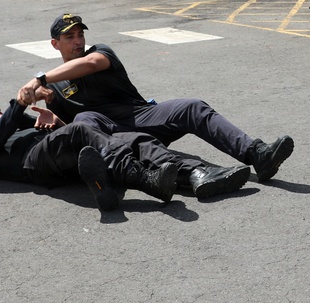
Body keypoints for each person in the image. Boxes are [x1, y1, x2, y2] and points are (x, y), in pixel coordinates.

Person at [18, 14, 294, 184]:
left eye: (80, 35)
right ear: (55, 43)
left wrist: (41, 78)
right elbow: (79, 134)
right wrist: (54, 117)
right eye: (70, 37)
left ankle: (258, 154)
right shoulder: (55, 87)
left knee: (192, 106)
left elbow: (90, 64)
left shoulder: (99, 53)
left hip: (141, 116)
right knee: (84, 119)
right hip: (114, 138)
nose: (78, 41)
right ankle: (185, 174)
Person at [0, 97, 181, 211]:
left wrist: (57, 123)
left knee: (133, 139)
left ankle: (184, 174)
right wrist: (18, 105)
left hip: (63, 155)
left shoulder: (18, 124)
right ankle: (145, 179)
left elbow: (61, 135)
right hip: (34, 163)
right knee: (80, 129)